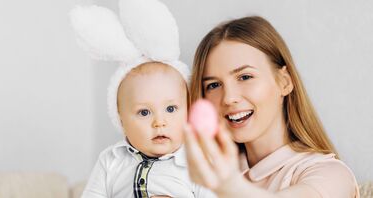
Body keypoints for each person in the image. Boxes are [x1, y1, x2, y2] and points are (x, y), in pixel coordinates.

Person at [183, 16, 360, 198]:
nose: (228, 98)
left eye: (245, 77)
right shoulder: (199, 174)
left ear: (284, 82)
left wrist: (231, 188)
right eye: (213, 85)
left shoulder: (331, 175)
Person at [70, 0, 215, 197]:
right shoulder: (111, 160)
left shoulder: (198, 162)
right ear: (121, 119)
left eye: (171, 109)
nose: (159, 122)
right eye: (144, 112)